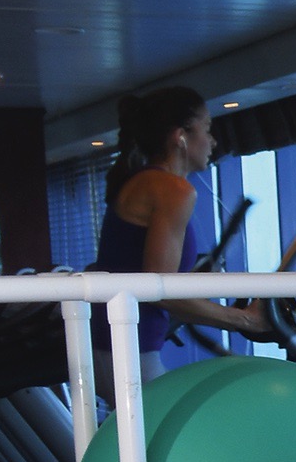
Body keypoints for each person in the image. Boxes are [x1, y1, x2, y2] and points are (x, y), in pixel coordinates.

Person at [93, 86, 271, 373]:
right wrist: (246, 320)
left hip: (117, 344)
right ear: (181, 137)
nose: (213, 141)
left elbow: (150, 276)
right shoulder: (173, 189)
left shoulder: (146, 181)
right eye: (207, 129)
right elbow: (160, 290)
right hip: (127, 349)